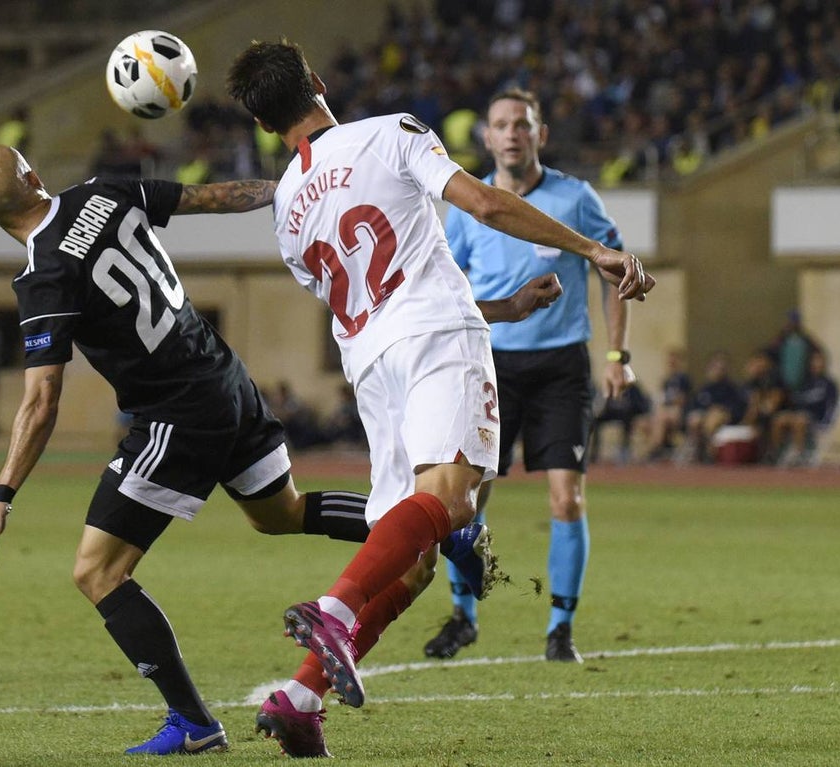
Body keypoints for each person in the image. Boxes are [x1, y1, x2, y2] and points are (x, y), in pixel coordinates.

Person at [227, 40, 652, 757]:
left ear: (268, 127)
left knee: (416, 560)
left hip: (371, 364)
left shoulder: (288, 213)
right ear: (320, 83)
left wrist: (507, 308)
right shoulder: (391, 132)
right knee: (454, 502)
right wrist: (595, 252)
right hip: (436, 342)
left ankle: (301, 695)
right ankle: (332, 612)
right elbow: (485, 203)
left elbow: (378, 292)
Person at [0, 144, 381, 756]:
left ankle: (192, 722)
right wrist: (298, 185)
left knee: (98, 572)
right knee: (282, 515)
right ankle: (427, 525)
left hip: (176, 415)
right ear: (35, 175)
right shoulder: (103, 192)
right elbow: (216, 197)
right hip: (226, 379)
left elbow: (40, 401)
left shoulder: (43, 276)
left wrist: (3, 492)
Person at [434, 88, 638, 664]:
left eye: (522, 124)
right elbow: (448, 286)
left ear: (539, 134)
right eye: (501, 125)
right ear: (489, 137)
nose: (512, 134)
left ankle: (560, 629)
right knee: (466, 501)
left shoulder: (575, 199)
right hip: (492, 365)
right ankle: (463, 616)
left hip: (561, 367)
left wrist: (617, 355)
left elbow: (614, 269)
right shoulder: (471, 205)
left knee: (566, 498)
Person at [770, 349, 840, 467]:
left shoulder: (829, 384)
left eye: (819, 360)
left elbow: (832, 406)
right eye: (814, 360)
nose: (816, 364)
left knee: (800, 420)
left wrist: (826, 422)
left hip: (817, 418)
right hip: (800, 414)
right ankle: (777, 452)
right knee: (779, 419)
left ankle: (799, 454)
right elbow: (796, 400)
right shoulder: (805, 382)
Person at [679, 351, 748, 464]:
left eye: (721, 367)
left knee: (714, 417)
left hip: (723, 418)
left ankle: (709, 452)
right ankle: (694, 450)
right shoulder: (704, 389)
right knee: (695, 419)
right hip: (705, 416)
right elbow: (694, 406)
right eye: (714, 367)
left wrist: (720, 410)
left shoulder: (732, 389)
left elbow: (737, 408)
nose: (717, 370)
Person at [646, 348, 692, 462]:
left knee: (662, 418)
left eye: (674, 359)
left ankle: (655, 450)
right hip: (666, 411)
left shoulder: (683, 378)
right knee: (647, 421)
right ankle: (663, 446)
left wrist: (668, 402)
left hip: (680, 412)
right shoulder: (666, 380)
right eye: (670, 359)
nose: (671, 362)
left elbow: (682, 400)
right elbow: (661, 398)